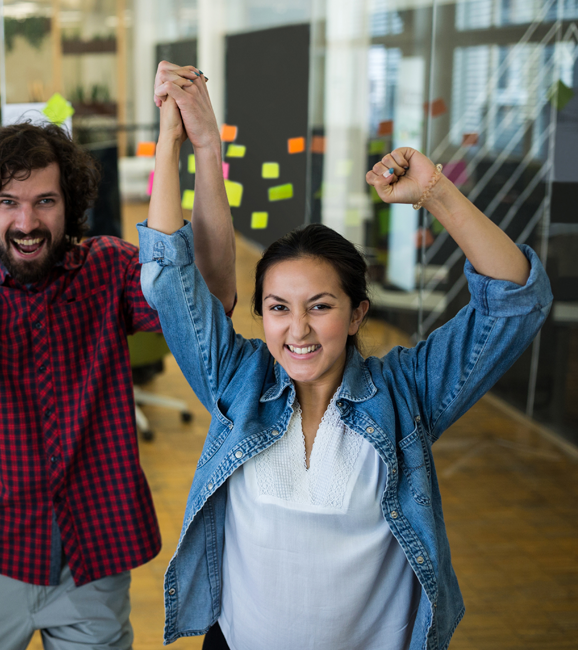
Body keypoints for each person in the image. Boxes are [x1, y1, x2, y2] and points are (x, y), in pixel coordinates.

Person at [140, 74, 552, 649]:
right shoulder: (238, 383)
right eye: (279, 308)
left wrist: (436, 192)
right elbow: (169, 279)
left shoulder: (406, 395)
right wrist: (174, 139)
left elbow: (515, 303)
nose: (299, 329)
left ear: (357, 314)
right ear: (262, 313)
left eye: (321, 306)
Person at [0, 61, 236, 650]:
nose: (26, 221)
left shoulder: (108, 267)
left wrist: (203, 147)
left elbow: (214, 296)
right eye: (8, 203)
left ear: (69, 205)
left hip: (93, 551)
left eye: (45, 201)